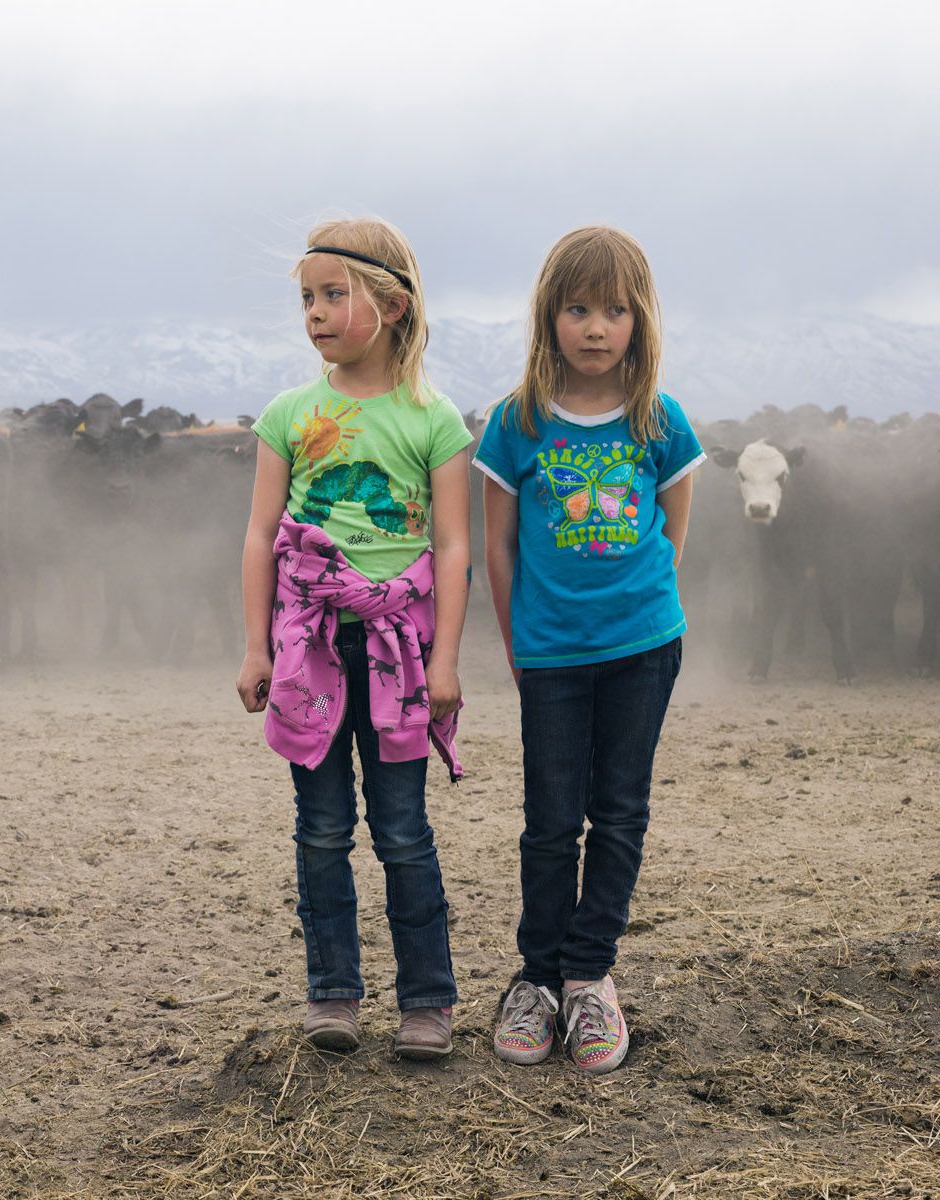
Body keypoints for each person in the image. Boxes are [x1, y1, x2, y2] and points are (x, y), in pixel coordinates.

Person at [237, 217, 473, 1059]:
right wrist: (257, 646)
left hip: (398, 655)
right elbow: (262, 534)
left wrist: (446, 659)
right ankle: (332, 992)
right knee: (321, 828)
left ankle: (427, 1001)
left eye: (334, 294)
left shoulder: (434, 420)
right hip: (308, 650)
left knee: (403, 830)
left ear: (394, 306)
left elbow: (452, 547)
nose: (315, 312)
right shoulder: (289, 416)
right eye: (307, 297)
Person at [475, 226, 703, 1074]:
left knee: (619, 811)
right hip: (550, 655)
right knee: (549, 820)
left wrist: (641, 613)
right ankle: (536, 980)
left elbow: (672, 533)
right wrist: (519, 644)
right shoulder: (517, 422)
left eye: (614, 310)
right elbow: (498, 547)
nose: (596, 327)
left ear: (640, 320)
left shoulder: (659, 419)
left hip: (643, 648)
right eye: (577, 309)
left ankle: (588, 979)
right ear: (549, 317)